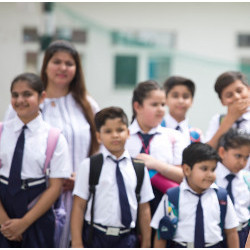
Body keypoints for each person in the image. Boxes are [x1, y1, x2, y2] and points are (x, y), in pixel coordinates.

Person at [4, 40, 100, 247]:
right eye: (57, 61)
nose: (63, 68)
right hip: (33, 199)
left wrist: (85, 176)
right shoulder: (24, 103)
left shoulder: (87, 104)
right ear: (46, 65)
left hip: (78, 196)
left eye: (69, 63)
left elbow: (99, 147)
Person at [0, 73, 71, 247]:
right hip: (3, 209)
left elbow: (55, 188)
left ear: (42, 97)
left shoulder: (54, 137)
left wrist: (23, 223)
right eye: (15, 95)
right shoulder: (2, 132)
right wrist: (4, 221)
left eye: (27, 94)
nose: (20, 100)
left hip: (37, 212)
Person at [71, 107, 154, 248]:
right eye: (108, 131)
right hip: (96, 236)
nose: (115, 135)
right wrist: (77, 242)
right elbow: (79, 205)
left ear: (128, 133)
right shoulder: (89, 165)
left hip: (127, 239)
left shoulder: (139, 168)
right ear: (99, 136)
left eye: (120, 130)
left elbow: (144, 208)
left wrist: (146, 242)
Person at [151, 142, 239, 248]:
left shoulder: (221, 197)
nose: (210, 174)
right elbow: (161, 235)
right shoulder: (172, 197)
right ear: (187, 170)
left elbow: (231, 232)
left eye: (213, 169)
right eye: (204, 169)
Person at [216, 128, 250, 247]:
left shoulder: (247, 179)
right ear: (222, 152)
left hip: (243, 232)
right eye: (238, 156)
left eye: (246, 157)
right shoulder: (212, 177)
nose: (242, 162)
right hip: (218, 235)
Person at [206, 71, 250, 149]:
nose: (236, 97)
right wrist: (230, 119)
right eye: (229, 95)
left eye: (239, 91)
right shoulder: (218, 120)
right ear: (222, 101)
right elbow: (207, 151)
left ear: (248, 89)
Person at [161, 76, 203, 147]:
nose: (181, 101)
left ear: (192, 101)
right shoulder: (155, 129)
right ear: (165, 99)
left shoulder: (196, 136)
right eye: (175, 96)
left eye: (185, 96)